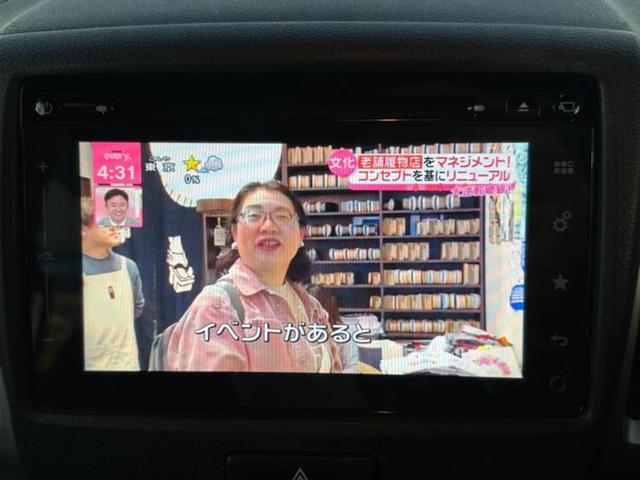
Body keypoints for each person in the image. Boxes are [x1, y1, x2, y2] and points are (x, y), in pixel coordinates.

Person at [164, 181, 342, 372]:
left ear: (301, 234)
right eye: (253, 215)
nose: (268, 227)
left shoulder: (312, 307)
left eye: (282, 216)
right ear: (235, 233)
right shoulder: (216, 308)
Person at [81, 197, 145, 371]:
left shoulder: (128, 266)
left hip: (128, 362)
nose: (114, 226)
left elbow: (138, 306)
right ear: (83, 230)